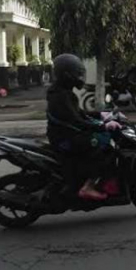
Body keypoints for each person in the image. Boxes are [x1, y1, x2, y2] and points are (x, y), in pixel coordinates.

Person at [47, 54, 121, 201]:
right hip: (66, 139)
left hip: (65, 135)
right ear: (66, 75)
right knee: (106, 149)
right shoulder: (61, 96)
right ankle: (88, 186)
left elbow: (80, 114)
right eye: (77, 73)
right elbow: (77, 121)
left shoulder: (63, 93)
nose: (80, 77)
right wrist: (103, 126)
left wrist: (101, 115)